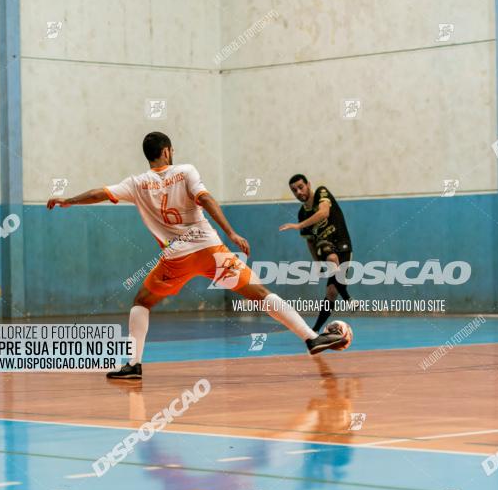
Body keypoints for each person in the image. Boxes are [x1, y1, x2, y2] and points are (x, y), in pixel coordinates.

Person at [47, 132, 349, 380]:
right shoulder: (185, 171)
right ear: (166, 151)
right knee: (259, 292)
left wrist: (69, 201)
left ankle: (134, 365)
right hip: (210, 250)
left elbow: (100, 193)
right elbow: (206, 199)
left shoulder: (136, 183)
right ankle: (311, 338)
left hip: (176, 258)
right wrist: (230, 232)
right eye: (171, 149)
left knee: (142, 302)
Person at [280, 174, 354, 332]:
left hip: (343, 245)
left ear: (308, 184)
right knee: (329, 256)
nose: (299, 192)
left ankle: (316, 328)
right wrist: (317, 263)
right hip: (325, 248)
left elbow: (324, 213)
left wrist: (299, 225)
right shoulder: (302, 213)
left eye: (301, 187)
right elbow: (310, 241)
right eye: (294, 190)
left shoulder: (321, 192)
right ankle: (315, 331)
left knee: (332, 292)